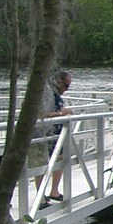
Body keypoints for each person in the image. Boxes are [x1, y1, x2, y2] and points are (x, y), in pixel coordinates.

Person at [32, 70, 72, 207]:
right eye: (66, 86)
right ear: (59, 82)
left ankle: (54, 191)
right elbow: (40, 114)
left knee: (60, 158)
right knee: (41, 164)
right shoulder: (46, 93)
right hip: (42, 134)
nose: (66, 90)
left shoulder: (55, 94)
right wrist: (61, 113)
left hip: (55, 133)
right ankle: (40, 197)